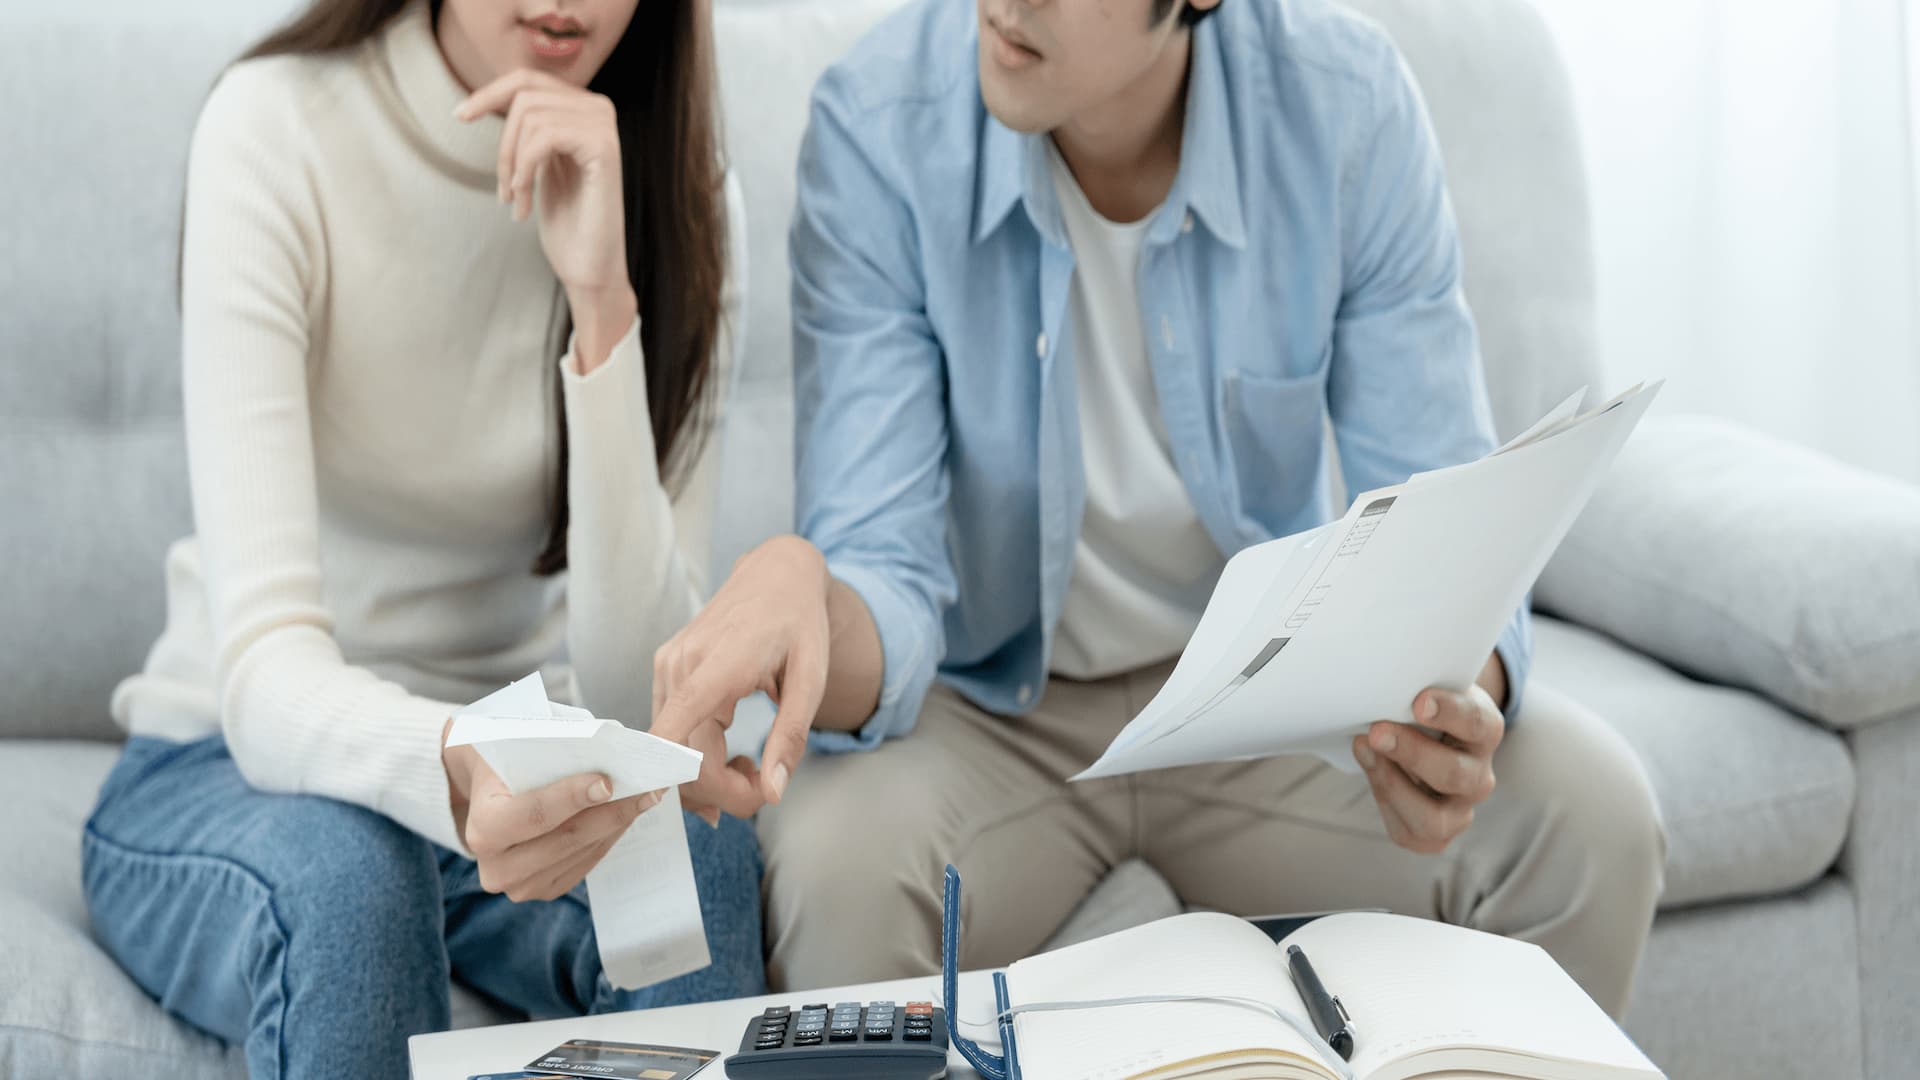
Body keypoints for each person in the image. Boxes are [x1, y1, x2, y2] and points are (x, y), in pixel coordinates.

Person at [652, 0, 1668, 1017]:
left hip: (1271, 702)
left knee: (1593, 820)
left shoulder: (1345, 107)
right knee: (837, 871)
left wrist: (1446, 713)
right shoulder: (879, 125)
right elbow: (884, 569)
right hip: (986, 715)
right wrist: (799, 588)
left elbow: (1444, 515)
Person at [80, 0, 764, 1074]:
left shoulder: (684, 194)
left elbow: (642, 696)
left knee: (700, 859)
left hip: (521, 760)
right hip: (232, 760)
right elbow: (261, 670)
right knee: (357, 883)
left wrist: (602, 303)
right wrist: (452, 759)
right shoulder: (274, 127)